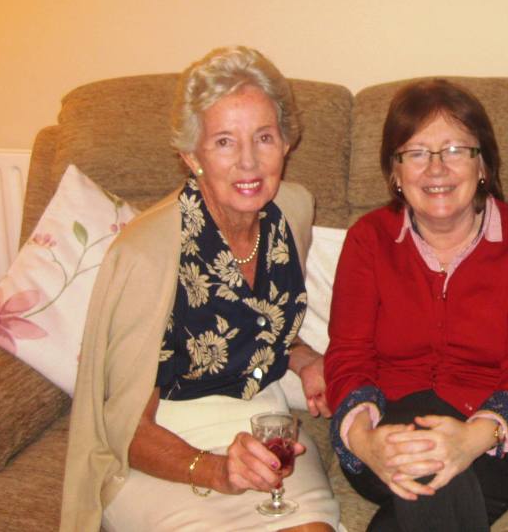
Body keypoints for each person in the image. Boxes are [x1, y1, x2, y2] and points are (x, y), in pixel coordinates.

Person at [60, 46, 339, 532]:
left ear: (287, 144)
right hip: (164, 451)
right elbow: (124, 427)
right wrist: (215, 471)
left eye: (265, 137)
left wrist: (305, 357)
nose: (249, 162)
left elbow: (256, 321)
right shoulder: (147, 254)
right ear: (192, 156)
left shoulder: (292, 211)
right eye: (225, 142)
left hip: (265, 432)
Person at [324, 79, 508, 531]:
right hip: (392, 422)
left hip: (503, 427)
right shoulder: (369, 239)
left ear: (483, 165)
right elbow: (347, 355)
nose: (436, 169)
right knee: (425, 467)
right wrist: (364, 441)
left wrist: (472, 438)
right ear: (395, 173)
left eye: (455, 149)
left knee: (429, 482)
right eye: (416, 152)